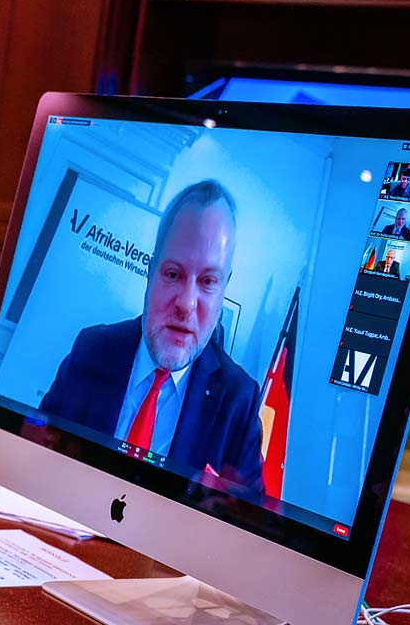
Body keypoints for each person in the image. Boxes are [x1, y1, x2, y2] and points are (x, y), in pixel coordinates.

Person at [39, 180, 265, 494]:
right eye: (173, 274)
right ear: (151, 271)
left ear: (224, 287)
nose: (186, 304)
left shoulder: (240, 401)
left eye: (208, 281)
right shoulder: (90, 351)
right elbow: (35, 453)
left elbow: (247, 518)